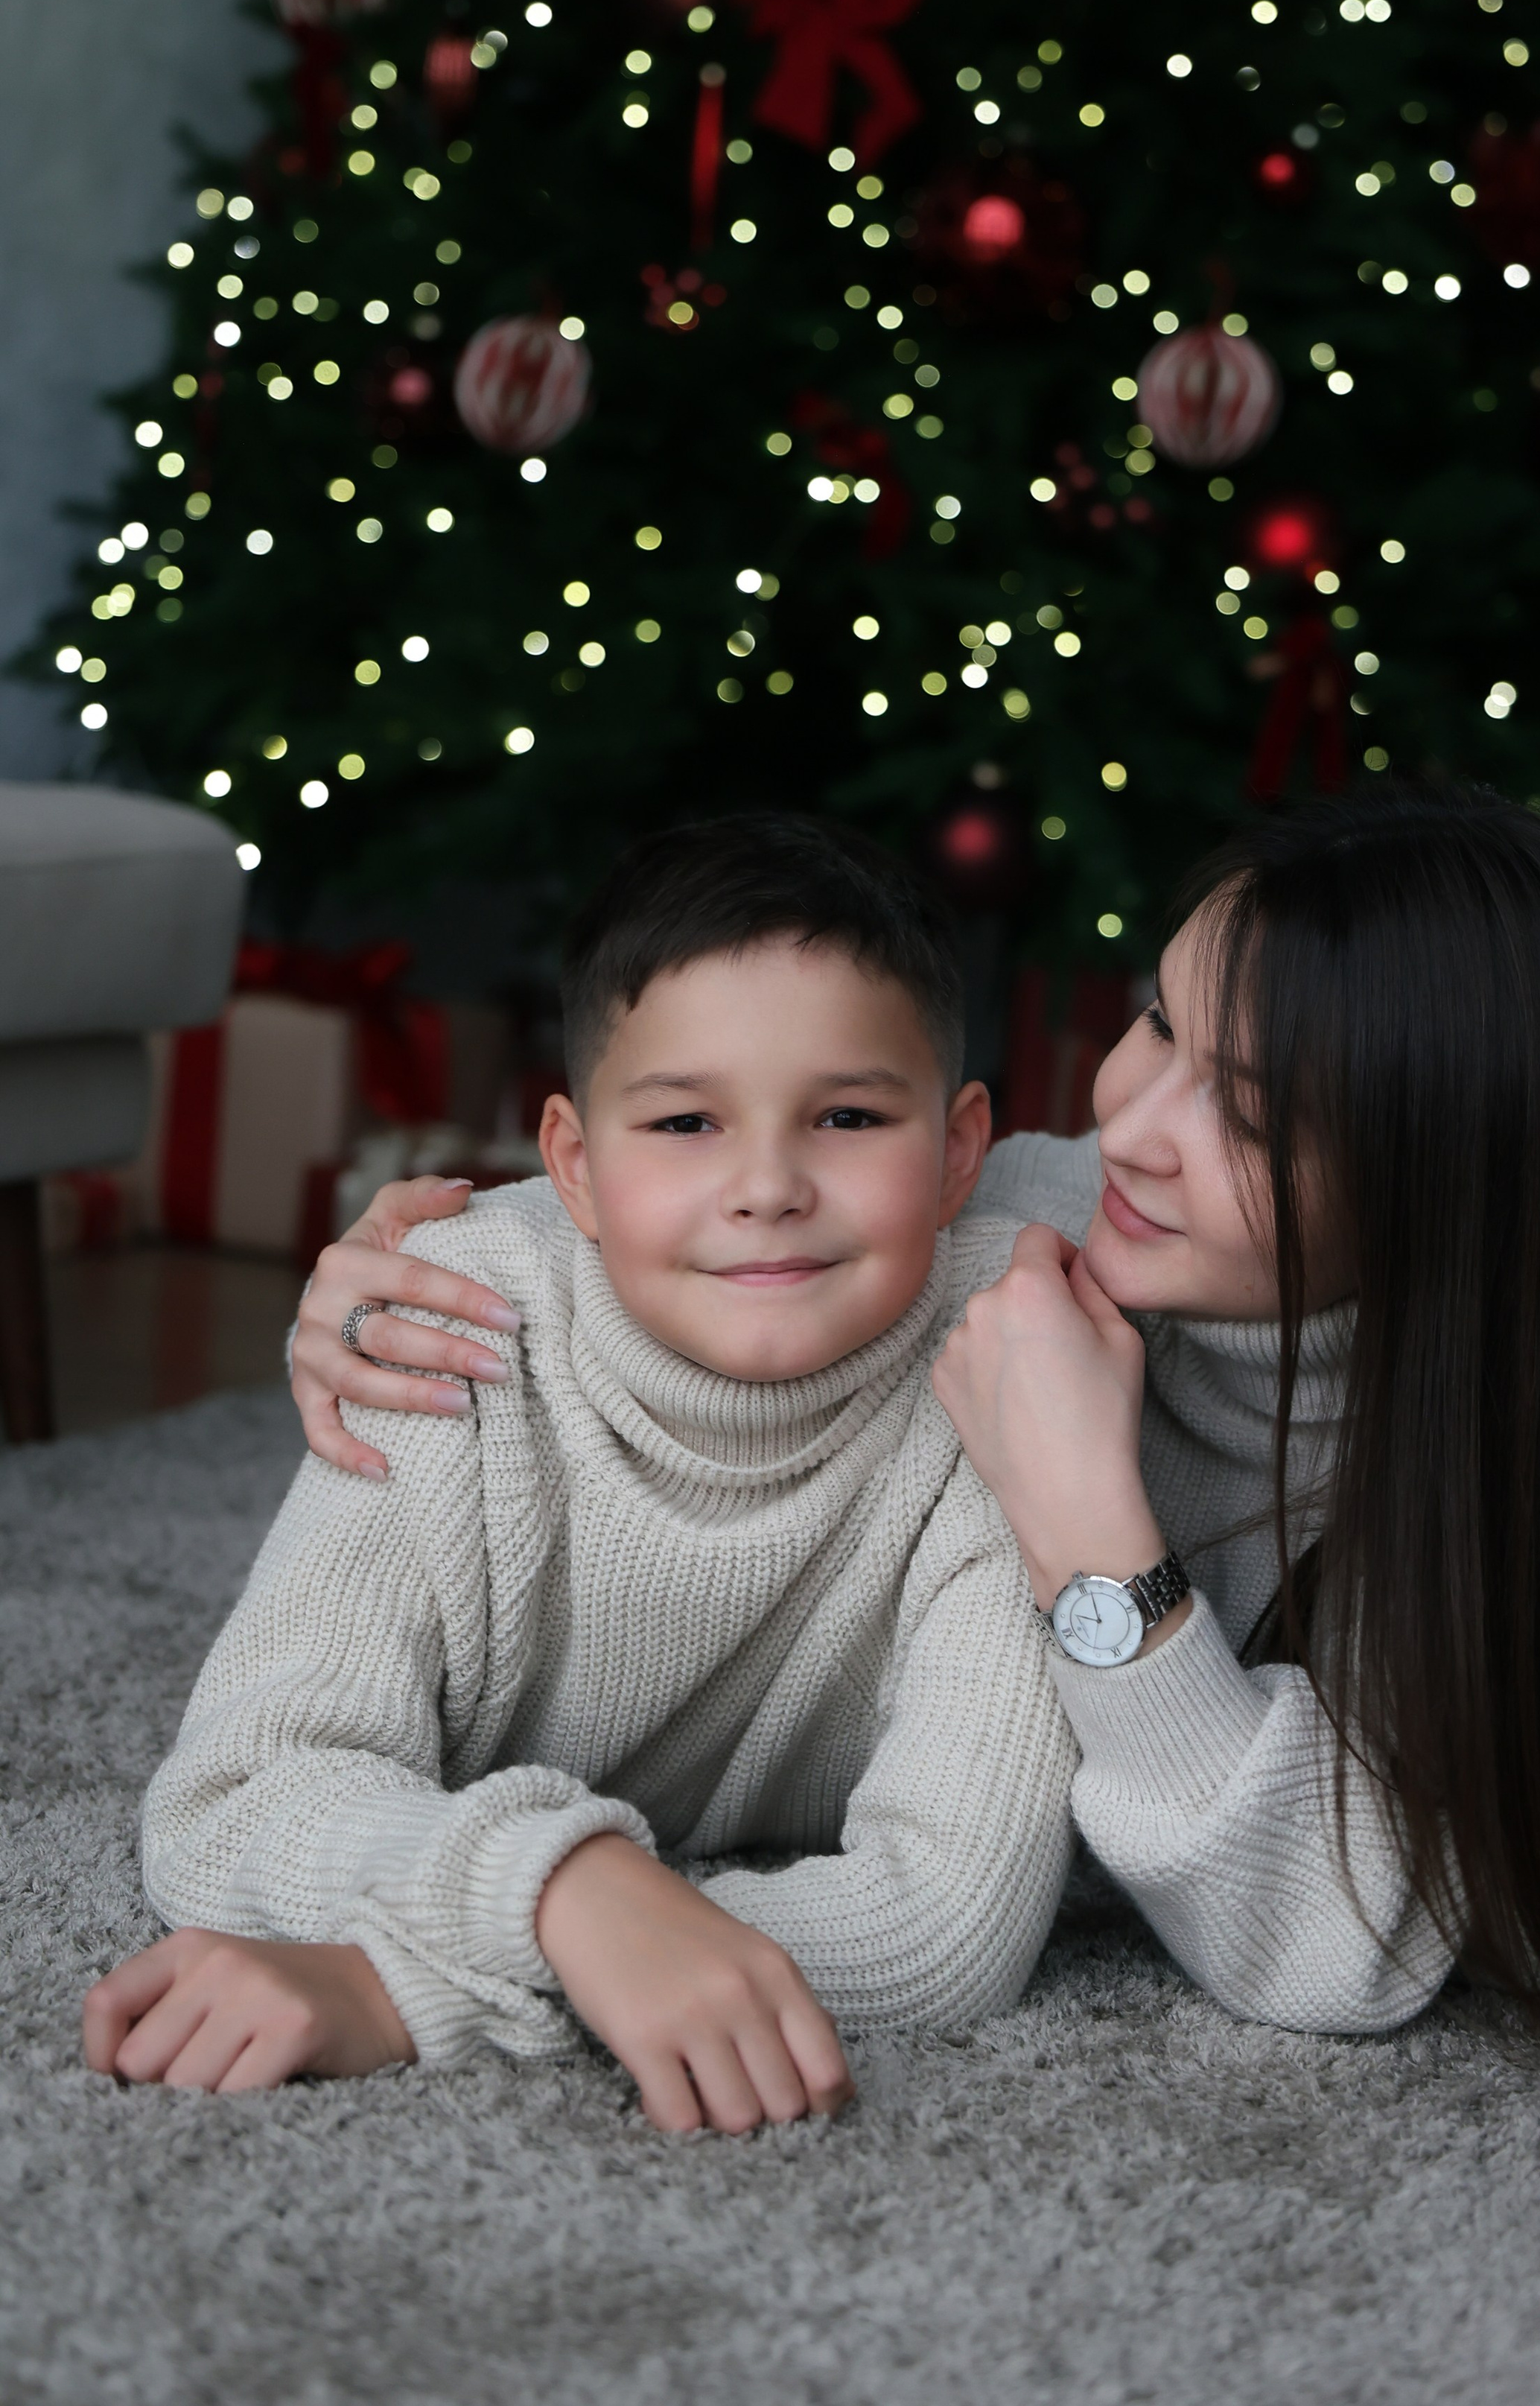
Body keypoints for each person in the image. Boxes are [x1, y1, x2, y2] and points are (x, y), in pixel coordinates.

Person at [301, 790, 1540, 2055]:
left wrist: (1087, 1524)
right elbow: (719, 1187)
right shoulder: (1043, 1212)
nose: (1125, 1127)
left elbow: (1340, 1947)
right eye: (1154, 1023)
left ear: (1438, 1186)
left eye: (1252, 1113)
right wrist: (428, 1267)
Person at [83, 816, 1077, 2126]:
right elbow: (234, 1799)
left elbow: (947, 1927)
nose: (767, 1185)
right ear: (574, 1167)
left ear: (957, 1154)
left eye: (846, 1115)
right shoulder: (448, 1322)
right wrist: (569, 1890)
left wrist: (407, 1984)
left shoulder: (1015, 1364)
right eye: (682, 1122)